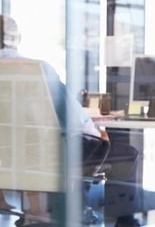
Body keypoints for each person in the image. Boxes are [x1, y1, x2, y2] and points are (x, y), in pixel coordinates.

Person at [0, 15, 142, 227]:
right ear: (16, 38)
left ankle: (55, 212)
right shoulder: (37, 68)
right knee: (126, 153)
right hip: (49, 154)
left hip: (11, 156)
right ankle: (123, 222)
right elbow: (74, 118)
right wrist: (98, 132)